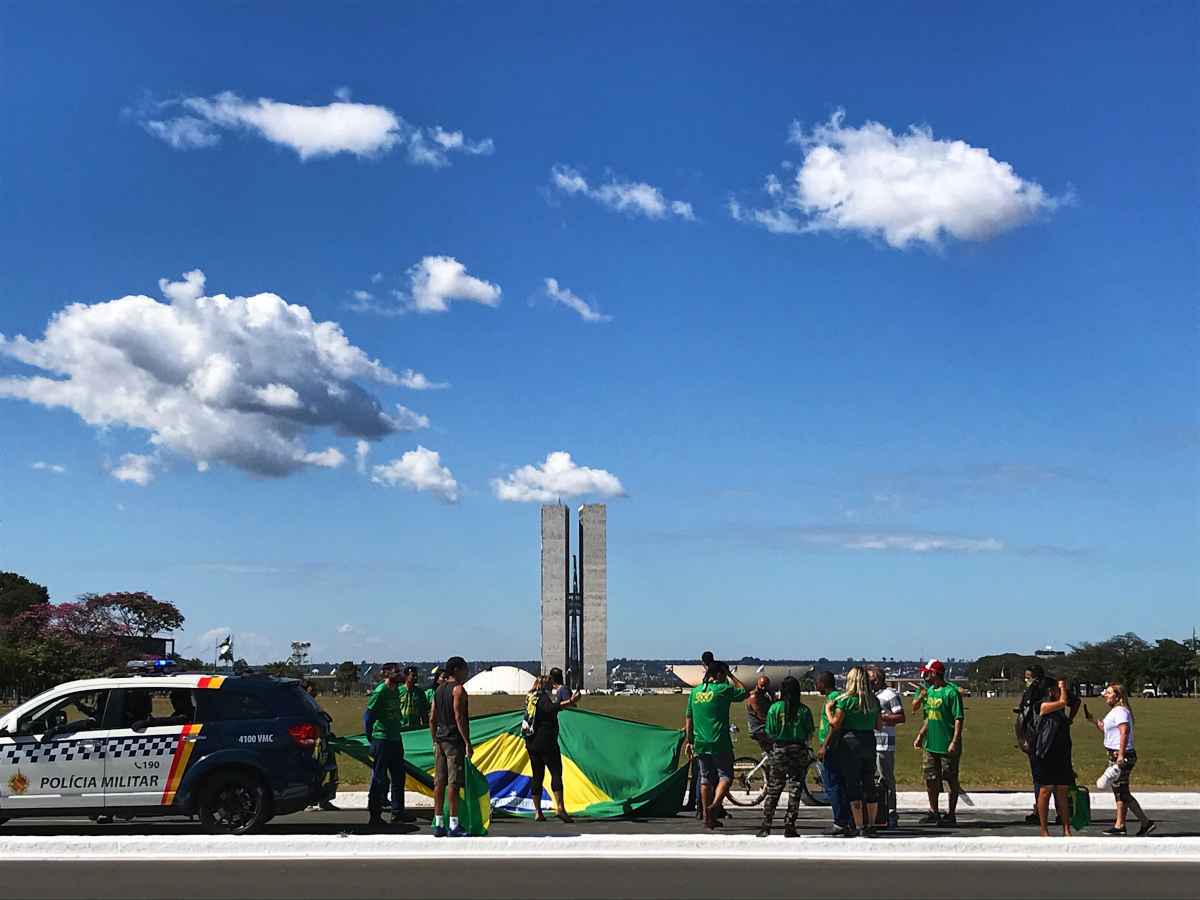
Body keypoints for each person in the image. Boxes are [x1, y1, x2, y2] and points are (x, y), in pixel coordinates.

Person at [684, 658, 748, 830]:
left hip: (700, 742)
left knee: (705, 779)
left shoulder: (695, 692)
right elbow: (744, 692)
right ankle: (714, 806)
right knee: (725, 776)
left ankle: (707, 817)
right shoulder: (722, 689)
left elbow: (688, 719)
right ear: (719, 674)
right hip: (719, 741)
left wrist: (689, 741)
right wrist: (730, 675)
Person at [1086, 683, 1155, 836]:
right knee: (1120, 791)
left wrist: (1122, 754)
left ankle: (1139, 823)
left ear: (1118, 697)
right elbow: (1106, 729)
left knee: (1119, 790)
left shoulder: (1121, 711)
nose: (1106, 695)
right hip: (1115, 754)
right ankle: (1124, 824)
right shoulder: (1115, 712)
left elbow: (1124, 732)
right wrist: (1092, 720)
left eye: (1109, 693)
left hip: (1121, 755)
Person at [822, 666, 881, 837]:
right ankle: (871, 823)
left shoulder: (846, 700)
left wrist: (828, 709)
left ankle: (859, 824)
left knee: (853, 783)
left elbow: (835, 723)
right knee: (869, 781)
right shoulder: (873, 701)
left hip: (850, 742)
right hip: (869, 741)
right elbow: (879, 725)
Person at [756, 675, 813, 838]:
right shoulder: (804, 710)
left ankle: (766, 825)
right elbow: (809, 731)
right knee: (795, 789)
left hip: (780, 749)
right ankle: (790, 825)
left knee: (774, 789)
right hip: (798, 749)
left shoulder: (775, 708)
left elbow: (770, 731)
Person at [911, 658, 965, 825]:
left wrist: (954, 740)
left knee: (950, 778)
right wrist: (921, 735)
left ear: (935, 673)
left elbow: (958, 718)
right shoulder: (930, 692)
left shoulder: (951, 692)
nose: (926, 675)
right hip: (931, 743)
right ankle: (934, 811)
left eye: (928, 672)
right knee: (931, 778)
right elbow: (929, 717)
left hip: (946, 743)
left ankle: (951, 813)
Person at [523, 667, 580, 822]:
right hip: (546, 741)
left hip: (531, 741)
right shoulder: (542, 698)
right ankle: (560, 807)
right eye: (549, 685)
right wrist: (570, 702)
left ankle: (538, 811)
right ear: (543, 685)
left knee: (537, 775)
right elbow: (551, 708)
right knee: (556, 773)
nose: (551, 687)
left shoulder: (530, 698)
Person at [430, 656, 472, 837]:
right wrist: (467, 741)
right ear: (456, 670)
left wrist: (434, 739)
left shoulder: (438, 690)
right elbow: (459, 716)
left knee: (439, 782)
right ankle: (454, 824)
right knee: (453, 783)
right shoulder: (458, 690)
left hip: (439, 739)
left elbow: (432, 717)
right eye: (464, 669)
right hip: (454, 741)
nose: (466, 673)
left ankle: (439, 822)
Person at [365, 663, 410, 826]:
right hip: (382, 739)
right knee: (380, 778)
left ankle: (398, 811)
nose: (399, 674)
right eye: (395, 672)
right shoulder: (380, 692)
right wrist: (371, 737)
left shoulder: (396, 691)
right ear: (386, 674)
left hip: (395, 739)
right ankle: (374, 814)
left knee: (399, 776)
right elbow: (368, 717)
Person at [1031, 675, 1074, 837]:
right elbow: (1063, 702)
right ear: (1050, 691)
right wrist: (1062, 688)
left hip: (1061, 754)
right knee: (1045, 790)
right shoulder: (1041, 705)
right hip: (1046, 754)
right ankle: (1044, 829)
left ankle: (1066, 828)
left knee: (1062, 791)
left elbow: (1068, 703)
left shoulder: (1060, 711)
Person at [868, 666, 905, 828]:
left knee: (886, 779)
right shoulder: (871, 695)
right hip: (870, 743)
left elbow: (900, 716)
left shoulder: (890, 695)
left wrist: (882, 717)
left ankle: (891, 812)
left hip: (884, 744)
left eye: (870, 679)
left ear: (876, 679)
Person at [814, 670, 850, 835]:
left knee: (833, 785)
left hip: (832, 746)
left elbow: (834, 726)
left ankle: (840, 821)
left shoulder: (834, 698)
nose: (816, 686)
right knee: (838, 785)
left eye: (817, 683)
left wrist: (824, 746)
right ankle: (845, 819)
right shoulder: (835, 697)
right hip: (834, 746)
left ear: (823, 683)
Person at [746, 675, 774, 755]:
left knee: (770, 751)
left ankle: (768, 761)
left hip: (763, 727)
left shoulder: (764, 695)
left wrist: (772, 696)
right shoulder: (754, 696)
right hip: (758, 728)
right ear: (757, 684)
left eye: (766, 686)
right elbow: (761, 716)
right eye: (762, 685)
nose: (763, 688)